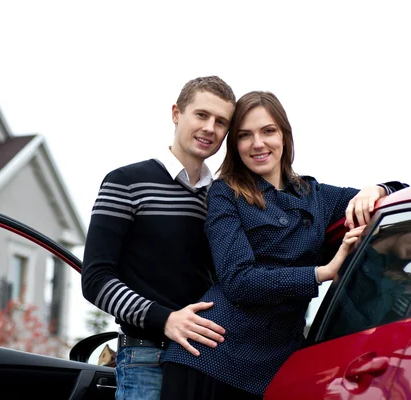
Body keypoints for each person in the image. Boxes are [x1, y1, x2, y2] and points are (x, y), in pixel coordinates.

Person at [160, 90, 408, 399]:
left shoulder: (317, 196)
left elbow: (401, 196)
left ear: (284, 136)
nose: (258, 144)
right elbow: (238, 281)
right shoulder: (226, 193)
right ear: (236, 146)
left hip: (273, 370)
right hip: (210, 360)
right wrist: (322, 272)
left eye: (268, 131)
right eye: (245, 135)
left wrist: (378, 188)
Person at [81, 76, 236, 400]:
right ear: (176, 113)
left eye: (221, 122)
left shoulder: (220, 197)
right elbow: (95, 279)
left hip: (207, 361)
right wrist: (165, 319)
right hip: (145, 358)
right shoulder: (126, 182)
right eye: (201, 115)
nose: (210, 127)